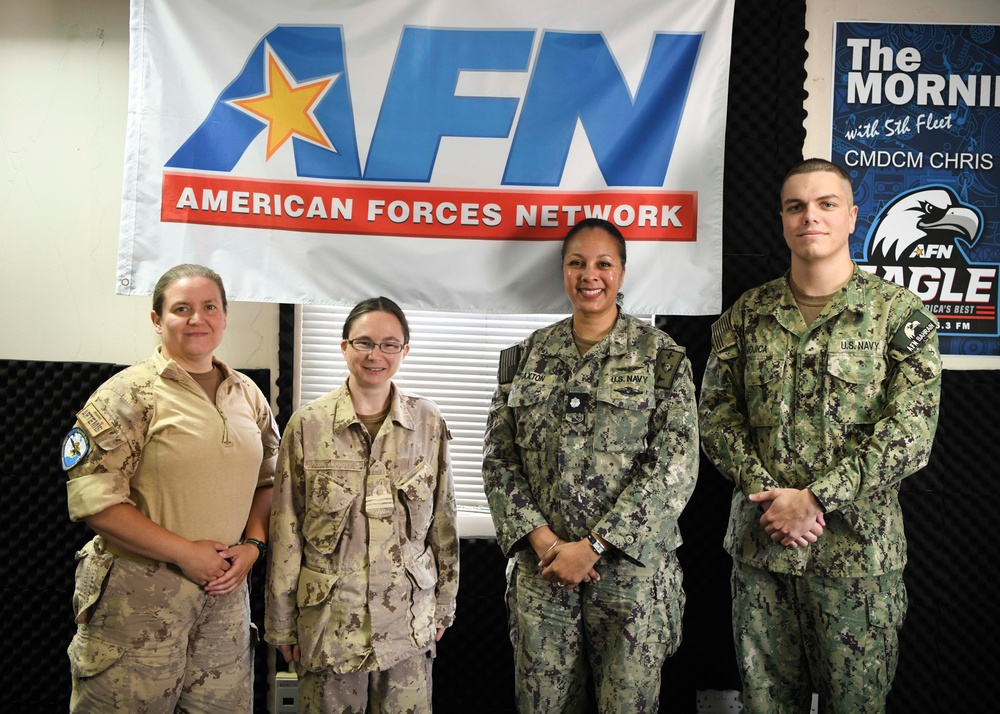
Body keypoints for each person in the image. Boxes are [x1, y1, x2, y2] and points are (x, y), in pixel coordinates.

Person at [698, 158, 942, 713]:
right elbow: (714, 416)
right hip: (763, 552)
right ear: (783, 221)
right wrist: (771, 497)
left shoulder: (897, 315)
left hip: (858, 558)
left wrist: (813, 500)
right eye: (796, 206)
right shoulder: (747, 315)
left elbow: (911, 431)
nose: (812, 216)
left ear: (852, 216)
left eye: (827, 203)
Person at [482, 217, 699, 713]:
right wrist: (546, 541)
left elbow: (675, 466)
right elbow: (499, 460)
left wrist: (596, 546)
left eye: (604, 263)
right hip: (544, 573)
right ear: (563, 271)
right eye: (577, 263)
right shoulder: (526, 358)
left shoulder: (661, 359)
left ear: (622, 272)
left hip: (630, 578)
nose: (590, 275)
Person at [61, 264, 280, 712]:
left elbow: (271, 481)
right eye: (181, 309)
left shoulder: (248, 395)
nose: (197, 319)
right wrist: (184, 552)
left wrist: (254, 544)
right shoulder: (127, 394)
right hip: (137, 600)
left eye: (209, 307)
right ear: (158, 320)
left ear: (224, 316)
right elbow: (95, 503)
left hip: (224, 601)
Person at [265, 296, 459, 713]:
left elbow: (442, 521)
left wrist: (444, 606)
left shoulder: (427, 422)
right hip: (330, 623)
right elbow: (286, 530)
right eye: (364, 342)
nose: (376, 355)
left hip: (407, 622)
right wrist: (281, 624)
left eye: (390, 344)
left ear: (405, 351)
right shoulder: (307, 425)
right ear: (344, 346)